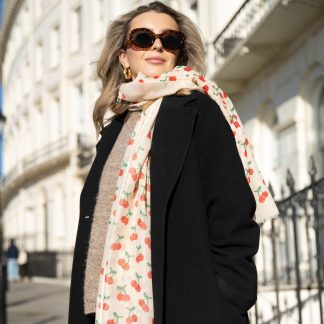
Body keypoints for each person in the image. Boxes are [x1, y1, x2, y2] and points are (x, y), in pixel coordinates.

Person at [68, 2, 278, 324]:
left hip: (188, 307)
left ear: (178, 54)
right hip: (107, 308)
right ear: (124, 56)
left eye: (170, 40)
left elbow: (233, 216)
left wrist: (227, 300)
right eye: (142, 38)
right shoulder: (114, 130)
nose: (157, 45)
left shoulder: (198, 110)